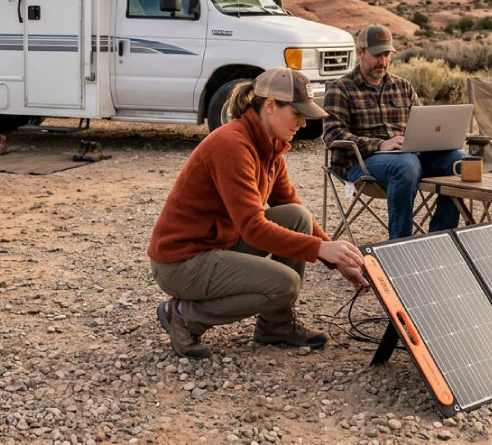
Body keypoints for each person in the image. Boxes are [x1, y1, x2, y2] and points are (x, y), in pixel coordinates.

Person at [147, 67, 367, 360]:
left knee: (297, 215)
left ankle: (275, 324)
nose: (303, 123)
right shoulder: (232, 144)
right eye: (297, 113)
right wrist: (320, 249)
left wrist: (336, 260)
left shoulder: (270, 144)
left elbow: (289, 203)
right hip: (181, 263)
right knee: (285, 285)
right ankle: (184, 316)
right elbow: (253, 227)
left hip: (217, 245)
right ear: (270, 105)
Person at [323, 25, 465, 240]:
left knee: (460, 162)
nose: (383, 61)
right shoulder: (340, 88)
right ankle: (399, 244)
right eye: (377, 55)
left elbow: (423, 124)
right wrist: (379, 144)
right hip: (362, 162)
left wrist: (435, 139)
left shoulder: (403, 86)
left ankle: (440, 237)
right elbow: (332, 134)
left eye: (387, 55)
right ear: (360, 52)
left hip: (409, 156)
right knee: (406, 165)